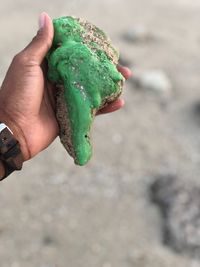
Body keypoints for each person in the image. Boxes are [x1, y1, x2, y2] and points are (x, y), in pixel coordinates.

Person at [0, 12, 132, 180]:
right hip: (95, 80)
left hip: (98, 80)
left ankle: (80, 139)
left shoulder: (65, 49)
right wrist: (13, 125)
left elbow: (55, 72)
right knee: (80, 137)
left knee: (80, 134)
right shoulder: (64, 51)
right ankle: (80, 139)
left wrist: (14, 125)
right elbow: (55, 71)